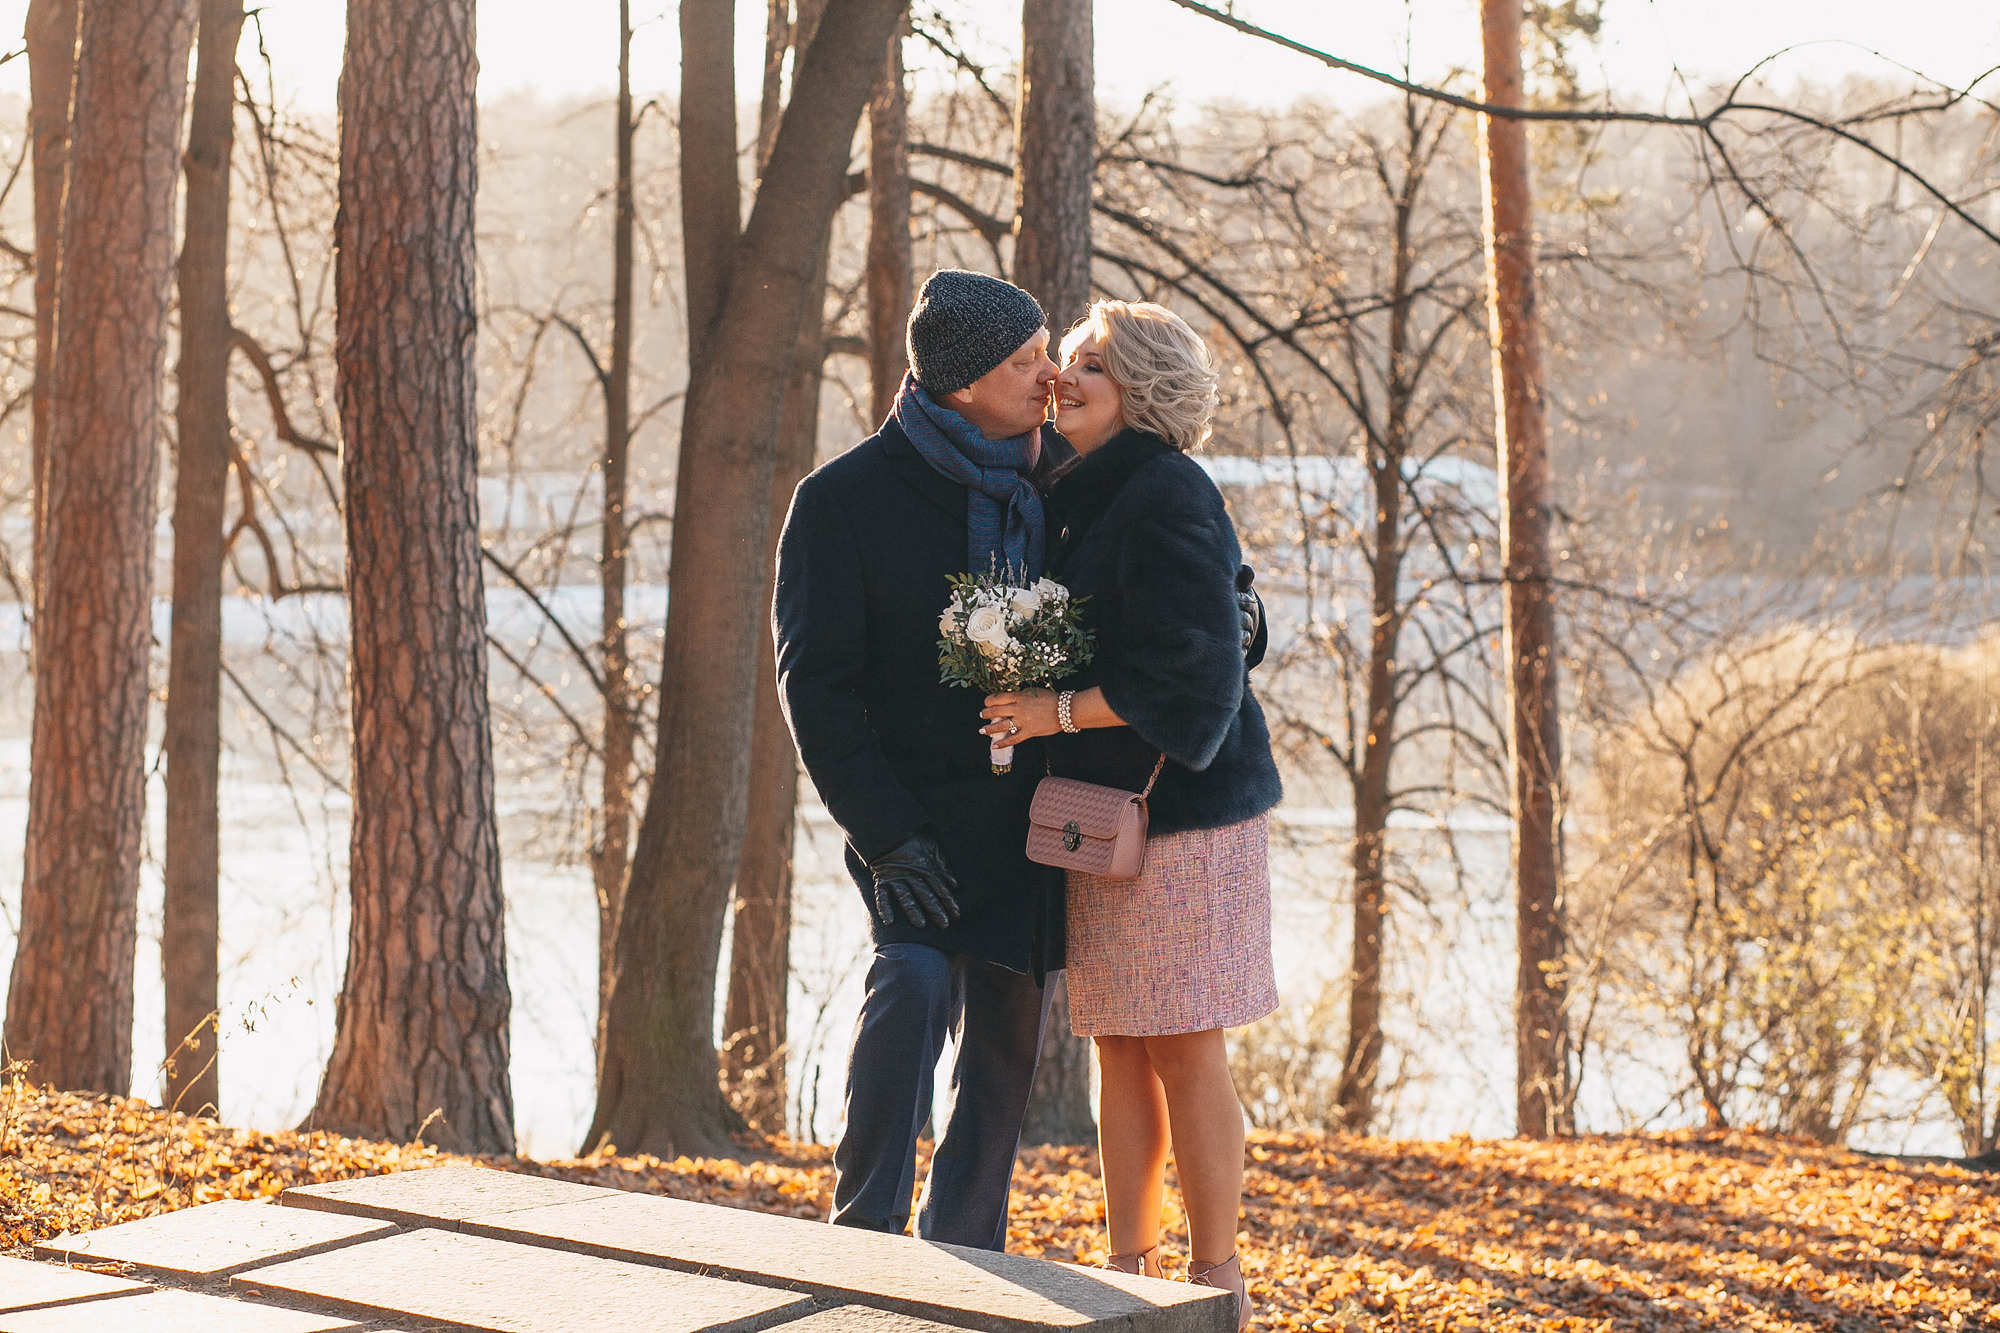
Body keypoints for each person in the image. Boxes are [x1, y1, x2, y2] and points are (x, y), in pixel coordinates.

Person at [981, 300, 1282, 1327]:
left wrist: (1048, 709)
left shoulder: (1164, 488)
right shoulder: (1066, 489)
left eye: (1089, 366)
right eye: (1062, 361)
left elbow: (1196, 682)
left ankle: (1214, 1276)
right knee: (1117, 1041)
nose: (1062, 378)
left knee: (1184, 1042)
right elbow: (1230, 612)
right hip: (1100, 814)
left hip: (1188, 818)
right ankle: (1127, 1266)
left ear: (1141, 393)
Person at [772, 269, 1065, 1249]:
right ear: (962, 381)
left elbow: (1167, 567)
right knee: (913, 979)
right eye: (1024, 361)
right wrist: (888, 836)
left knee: (1004, 1045)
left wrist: (1232, 611)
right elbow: (816, 689)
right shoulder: (841, 501)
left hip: (1032, 819)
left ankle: (962, 1259)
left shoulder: (1064, 476)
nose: (1048, 376)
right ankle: (860, 1237)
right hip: (914, 824)